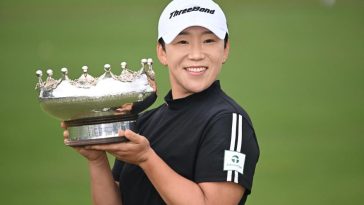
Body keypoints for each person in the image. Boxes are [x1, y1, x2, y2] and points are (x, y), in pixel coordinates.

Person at [62, 0, 259, 204]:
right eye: (182, 42)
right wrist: (97, 160)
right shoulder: (145, 122)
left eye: (209, 41)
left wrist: (147, 158)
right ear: (162, 52)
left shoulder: (228, 121)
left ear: (225, 49)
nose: (197, 55)